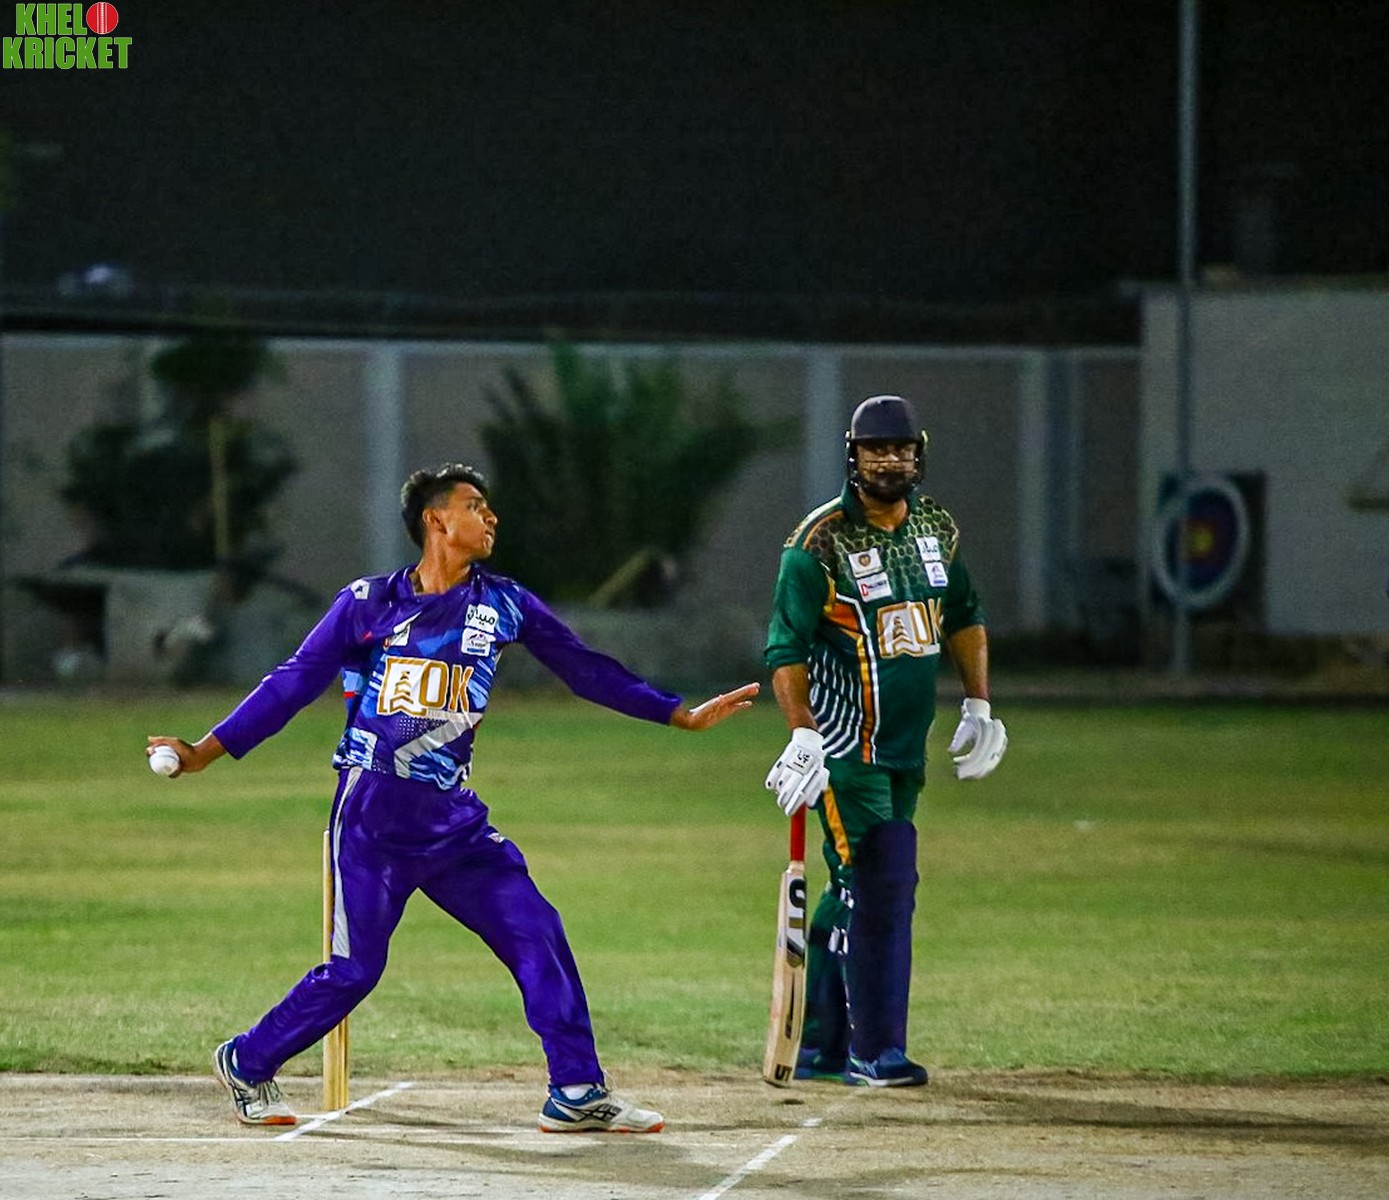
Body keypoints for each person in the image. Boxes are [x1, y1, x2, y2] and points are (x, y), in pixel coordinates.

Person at [147, 463, 758, 1133]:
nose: (490, 517)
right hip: (373, 815)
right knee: (355, 971)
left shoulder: (505, 604)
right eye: (475, 505)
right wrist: (203, 751)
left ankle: (577, 1089)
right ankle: (246, 1060)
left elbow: (584, 669)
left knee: (537, 930)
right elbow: (290, 684)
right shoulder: (367, 603)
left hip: (453, 821)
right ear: (437, 520)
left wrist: (676, 714)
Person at [762, 395, 1006, 1087]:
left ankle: (820, 1043)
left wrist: (979, 702)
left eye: (900, 449)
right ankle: (875, 1049)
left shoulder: (935, 525)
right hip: (845, 750)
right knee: (883, 883)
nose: (889, 460)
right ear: (853, 455)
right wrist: (803, 734)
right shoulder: (818, 542)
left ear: (918, 454)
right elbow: (785, 647)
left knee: (854, 887)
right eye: (876, 449)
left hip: (905, 748)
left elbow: (963, 612)